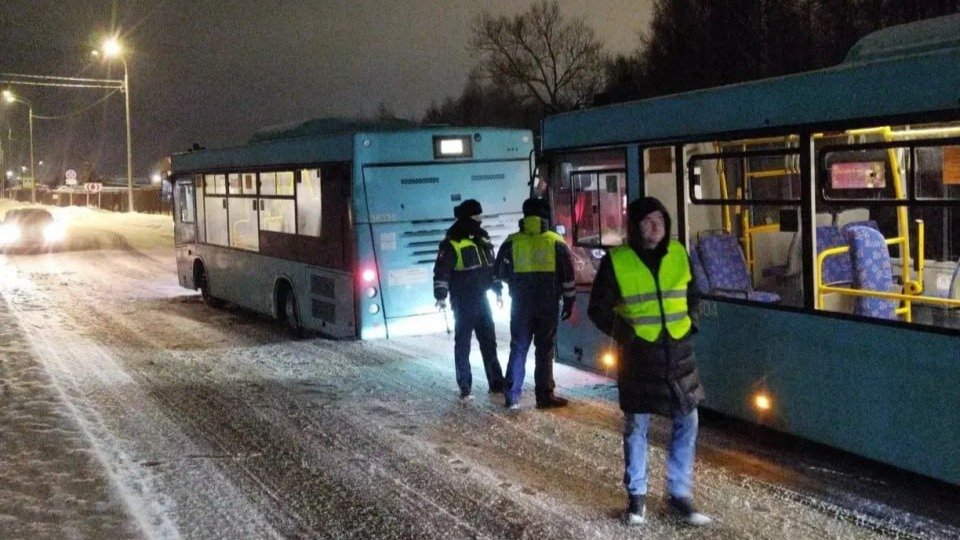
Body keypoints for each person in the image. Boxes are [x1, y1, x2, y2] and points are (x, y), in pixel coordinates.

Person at [587, 197, 711, 527]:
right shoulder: (618, 261)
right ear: (635, 226)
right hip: (640, 359)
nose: (655, 225)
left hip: (679, 355)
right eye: (647, 220)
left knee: (689, 421)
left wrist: (691, 322)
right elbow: (597, 310)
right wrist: (627, 335)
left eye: (660, 218)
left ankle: (679, 495)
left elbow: (694, 295)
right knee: (635, 427)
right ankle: (637, 498)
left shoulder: (678, 253)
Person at [494, 197, 576, 410]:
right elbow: (568, 276)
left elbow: (499, 272)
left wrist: (513, 284)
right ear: (545, 216)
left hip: (520, 306)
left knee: (518, 347)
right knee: (544, 349)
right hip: (547, 306)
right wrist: (569, 302)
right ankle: (544, 396)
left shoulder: (511, 242)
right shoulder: (555, 241)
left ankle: (512, 395)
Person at [433, 199, 505, 400]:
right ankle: (465, 386)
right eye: (476, 217)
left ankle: (497, 383)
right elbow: (441, 271)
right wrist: (441, 296)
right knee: (463, 344)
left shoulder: (483, 239)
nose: (480, 221)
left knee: (489, 342)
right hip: (462, 301)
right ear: (467, 219)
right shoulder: (451, 243)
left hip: (482, 299)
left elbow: (491, 268)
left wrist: (497, 290)